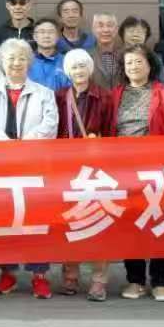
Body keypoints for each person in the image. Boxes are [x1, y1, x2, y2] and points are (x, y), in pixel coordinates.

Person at [110, 45, 164, 300]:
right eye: (129, 63)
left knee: (160, 223)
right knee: (130, 224)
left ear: (150, 65)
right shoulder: (116, 94)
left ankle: (161, 281)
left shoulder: (163, 93)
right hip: (124, 171)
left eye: (138, 62)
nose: (133, 67)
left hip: (158, 169)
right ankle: (135, 280)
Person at [0, 38, 58, 298]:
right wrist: (4, 142)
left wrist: (26, 142)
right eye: (11, 58)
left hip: (34, 164)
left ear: (29, 62)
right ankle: (8, 273)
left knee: (37, 219)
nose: (16, 63)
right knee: (5, 219)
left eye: (22, 58)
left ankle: (39, 275)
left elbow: (50, 124)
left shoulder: (44, 93)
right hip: (1, 164)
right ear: (2, 62)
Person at [55, 48, 116, 300]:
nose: (78, 71)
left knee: (97, 223)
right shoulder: (60, 96)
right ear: (68, 71)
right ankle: (70, 276)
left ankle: (99, 280)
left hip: (96, 169)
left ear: (89, 69)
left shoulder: (104, 96)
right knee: (70, 222)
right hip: (66, 168)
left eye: (82, 66)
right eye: (74, 67)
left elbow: (112, 133)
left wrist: (100, 143)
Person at [26, 19, 71, 91]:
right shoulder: (26, 62)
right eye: (42, 32)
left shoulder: (67, 62)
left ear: (58, 36)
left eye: (51, 32)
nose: (46, 36)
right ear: (34, 36)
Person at [87, 13, 124, 90]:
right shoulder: (86, 56)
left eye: (109, 25)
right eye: (100, 26)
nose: (106, 30)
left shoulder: (126, 55)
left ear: (116, 29)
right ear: (93, 30)